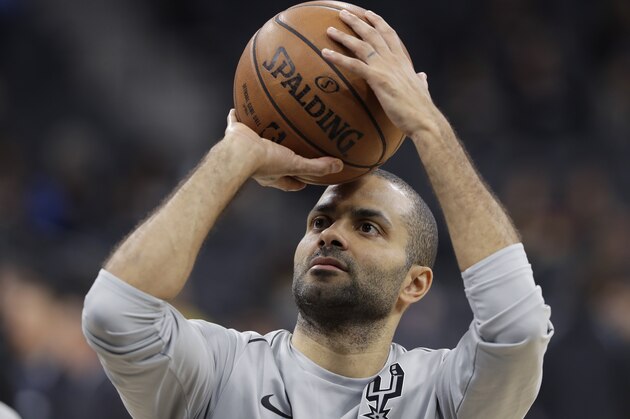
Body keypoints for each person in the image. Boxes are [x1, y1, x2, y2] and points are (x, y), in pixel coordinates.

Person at [82, 9, 553, 419]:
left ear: (416, 283)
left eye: (368, 226)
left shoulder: (441, 395)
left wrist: (428, 127)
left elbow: (518, 328)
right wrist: (233, 158)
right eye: (320, 222)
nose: (331, 235)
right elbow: (115, 312)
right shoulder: (221, 370)